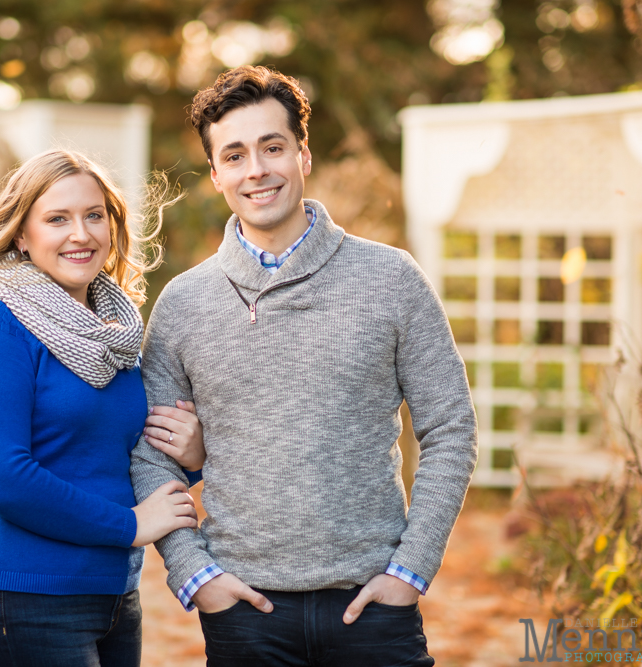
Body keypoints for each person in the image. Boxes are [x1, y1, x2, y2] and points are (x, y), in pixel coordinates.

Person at [130, 66, 479, 666]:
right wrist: (196, 577)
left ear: (303, 154)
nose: (257, 170)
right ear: (216, 175)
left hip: (375, 609)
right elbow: (149, 453)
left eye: (272, 147)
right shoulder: (184, 304)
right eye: (234, 155)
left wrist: (411, 570)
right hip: (243, 615)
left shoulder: (392, 279)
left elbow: (451, 428)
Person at [0, 149, 205, 667]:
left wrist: (192, 455)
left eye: (94, 215)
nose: (80, 234)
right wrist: (128, 526)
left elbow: (123, 455)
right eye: (57, 219)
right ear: (22, 235)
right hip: (19, 599)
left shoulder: (115, 334)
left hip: (113, 597)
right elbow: (2, 476)